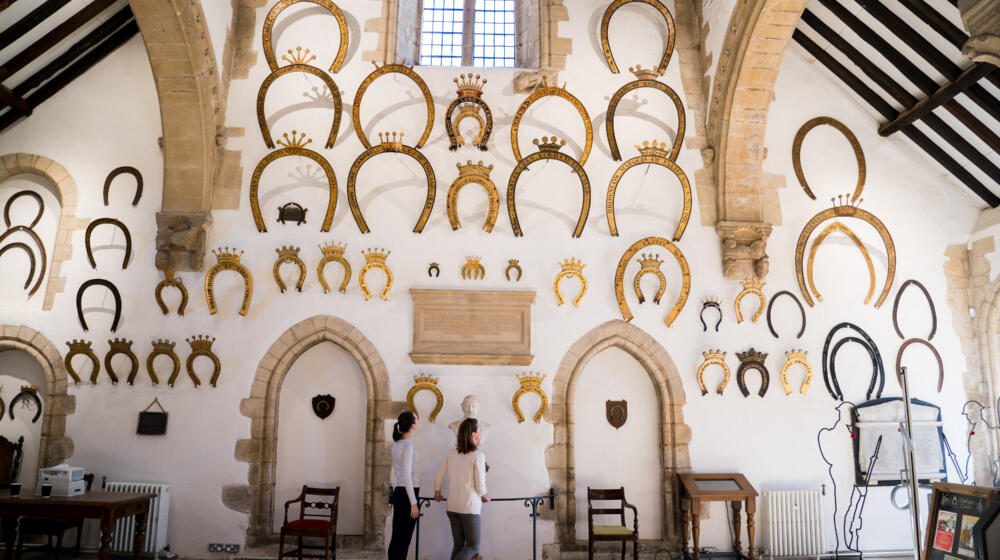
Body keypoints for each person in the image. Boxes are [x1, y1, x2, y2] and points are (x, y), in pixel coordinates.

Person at [435, 418, 489, 560]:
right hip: (469, 507)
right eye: (479, 429)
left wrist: (437, 492)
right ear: (473, 434)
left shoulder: (452, 453)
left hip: (452, 506)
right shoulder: (478, 456)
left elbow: (439, 475)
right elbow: (480, 485)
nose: (481, 431)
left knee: (458, 546)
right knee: (473, 547)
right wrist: (484, 495)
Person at [388, 411, 420, 560]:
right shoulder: (408, 445)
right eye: (416, 418)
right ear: (413, 425)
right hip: (407, 495)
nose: (418, 420)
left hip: (400, 493)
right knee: (403, 540)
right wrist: (413, 503)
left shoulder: (397, 443)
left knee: (397, 537)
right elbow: (407, 476)